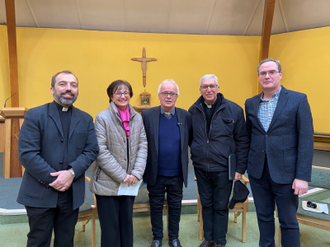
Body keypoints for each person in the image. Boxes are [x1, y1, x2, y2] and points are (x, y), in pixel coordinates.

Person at [17, 70, 99, 247]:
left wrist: (71, 173)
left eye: (73, 85)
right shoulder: (35, 115)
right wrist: (56, 178)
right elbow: (27, 153)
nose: (69, 88)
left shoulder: (85, 119)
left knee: (66, 241)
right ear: (52, 89)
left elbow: (91, 150)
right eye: (63, 84)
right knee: (38, 241)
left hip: (71, 193)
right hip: (40, 191)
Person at [245, 58, 314, 247]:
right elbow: (250, 137)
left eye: (271, 72)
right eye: (262, 73)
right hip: (259, 173)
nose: (267, 76)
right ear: (258, 77)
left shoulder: (298, 99)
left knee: (288, 221)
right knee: (264, 218)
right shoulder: (250, 103)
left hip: (287, 174)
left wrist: (302, 176)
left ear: (280, 74)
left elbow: (306, 140)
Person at [189, 74, 249, 247]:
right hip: (201, 167)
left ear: (218, 87)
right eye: (205, 86)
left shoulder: (234, 110)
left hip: (224, 168)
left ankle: (220, 241)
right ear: (200, 89)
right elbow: (191, 139)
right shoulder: (193, 110)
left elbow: (243, 141)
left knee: (221, 206)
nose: (209, 89)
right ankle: (209, 238)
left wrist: (240, 169)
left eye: (212, 86)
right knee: (206, 204)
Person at [89, 80, 147, 247]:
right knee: (110, 228)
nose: (123, 96)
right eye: (118, 92)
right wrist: (122, 176)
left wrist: (136, 173)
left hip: (130, 183)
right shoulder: (102, 118)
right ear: (111, 96)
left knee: (126, 226)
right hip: (108, 182)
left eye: (126, 92)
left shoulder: (137, 118)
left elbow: (143, 146)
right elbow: (101, 151)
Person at [142, 79, 191, 247]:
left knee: (175, 207)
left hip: (177, 173)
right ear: (159, 96)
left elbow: (189, 140)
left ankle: (173, 238)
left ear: (177, 96)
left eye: (172, 93)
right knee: (155, 206)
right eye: (165, 93)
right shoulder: (147, 115)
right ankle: (157, 237)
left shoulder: (185, 116)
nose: (168, 96)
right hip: (155, 172)